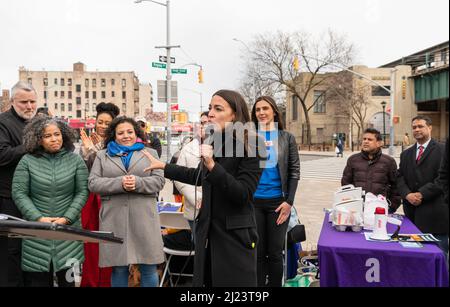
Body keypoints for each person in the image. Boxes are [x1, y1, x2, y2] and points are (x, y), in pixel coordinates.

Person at [143, 90, 266, 287]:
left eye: (218, 109)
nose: (210, 113)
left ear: (235, 114)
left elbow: (243, 194)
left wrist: (212, 165)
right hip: (207, 232)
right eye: (210, 108)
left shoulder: (253, 144)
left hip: (234, 236)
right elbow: (198, 177)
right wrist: (164, 167)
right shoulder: (215, 141)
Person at [11, 116, 89, 287]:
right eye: (48, 136)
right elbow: (19, 193)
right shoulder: (27, 161)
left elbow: (82, 191)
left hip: (69, 234)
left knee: (70, 283)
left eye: (57, 134)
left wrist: (66, 218)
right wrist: (38, 218)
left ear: (64, 135)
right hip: (37, 235)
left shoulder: (75, 160)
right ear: (38, 139)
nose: (54, 139)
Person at [88, 117, 166, 287]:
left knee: (149, 267)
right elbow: (93, 183)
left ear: (136, 133)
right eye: (120, 133)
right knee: (119, 268)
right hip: (114, 218)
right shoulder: (102, 156)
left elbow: (159, 182)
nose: (126, 136)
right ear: (114, 135)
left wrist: (138, 183)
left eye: (130, 132)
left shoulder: (150, 153)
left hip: (144, 217)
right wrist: (119, 183)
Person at [250, 96, 300, 287]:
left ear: (274, 111)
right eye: (257, 110)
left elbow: (295, 171)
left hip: (278, 203)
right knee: (258, 252)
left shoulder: (286, 138)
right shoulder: (249, 136)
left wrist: (289, 202)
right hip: (254, 202)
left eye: (265, 108)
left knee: (276, 252)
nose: (261, 113)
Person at [0, 81, 37, 287]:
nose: (29, 106)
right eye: (24, 102)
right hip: (8, 200)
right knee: (10, 253)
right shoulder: (2, 122)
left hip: (34, 199)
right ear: (13, 101)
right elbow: (2, 155)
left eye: (32, 101)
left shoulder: (39, 123)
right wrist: (30, 146)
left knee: (31, 250)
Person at [79, 102, 120, 288]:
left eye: (107, 123)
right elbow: (84, 172)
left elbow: (111, 171)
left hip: (110, 199)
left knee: (110, 242)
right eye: (100, 122)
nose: (103, 126)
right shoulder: (87, 142)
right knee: (92, 244)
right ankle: (91, 282)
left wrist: (95, 151)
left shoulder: (118, 143)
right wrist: (86, 151)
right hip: (91, 200)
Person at [397, 116, 447, 257]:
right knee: (415, 258)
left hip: (436, 216)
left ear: (429, 128)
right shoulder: (406, 154)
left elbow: (443, 179)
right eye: (414, 127)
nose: (417, 129)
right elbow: (399, 177)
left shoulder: (443, 151)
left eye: (420, 126)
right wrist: (407, 194)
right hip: (412, 216)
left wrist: (421, 194)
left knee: (440, 258)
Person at [342, 128, 401, 213]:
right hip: (357, 210)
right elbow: (345, 184)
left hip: (380, 210)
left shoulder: (389, 161)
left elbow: (396, 186)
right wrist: (350, 204)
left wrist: (391, 207)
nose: (365, 141)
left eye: (370, 139)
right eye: (364, 139)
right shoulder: (353, 160)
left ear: (379, 143)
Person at [174, 112, 210, 232]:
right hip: (195, 209)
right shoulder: (187, 149)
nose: (203, 126)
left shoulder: (226, 148)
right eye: (201, 123)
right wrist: (196, 197)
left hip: (219, 210)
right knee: (198, 247)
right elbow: (178, 177)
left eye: (207, 122)